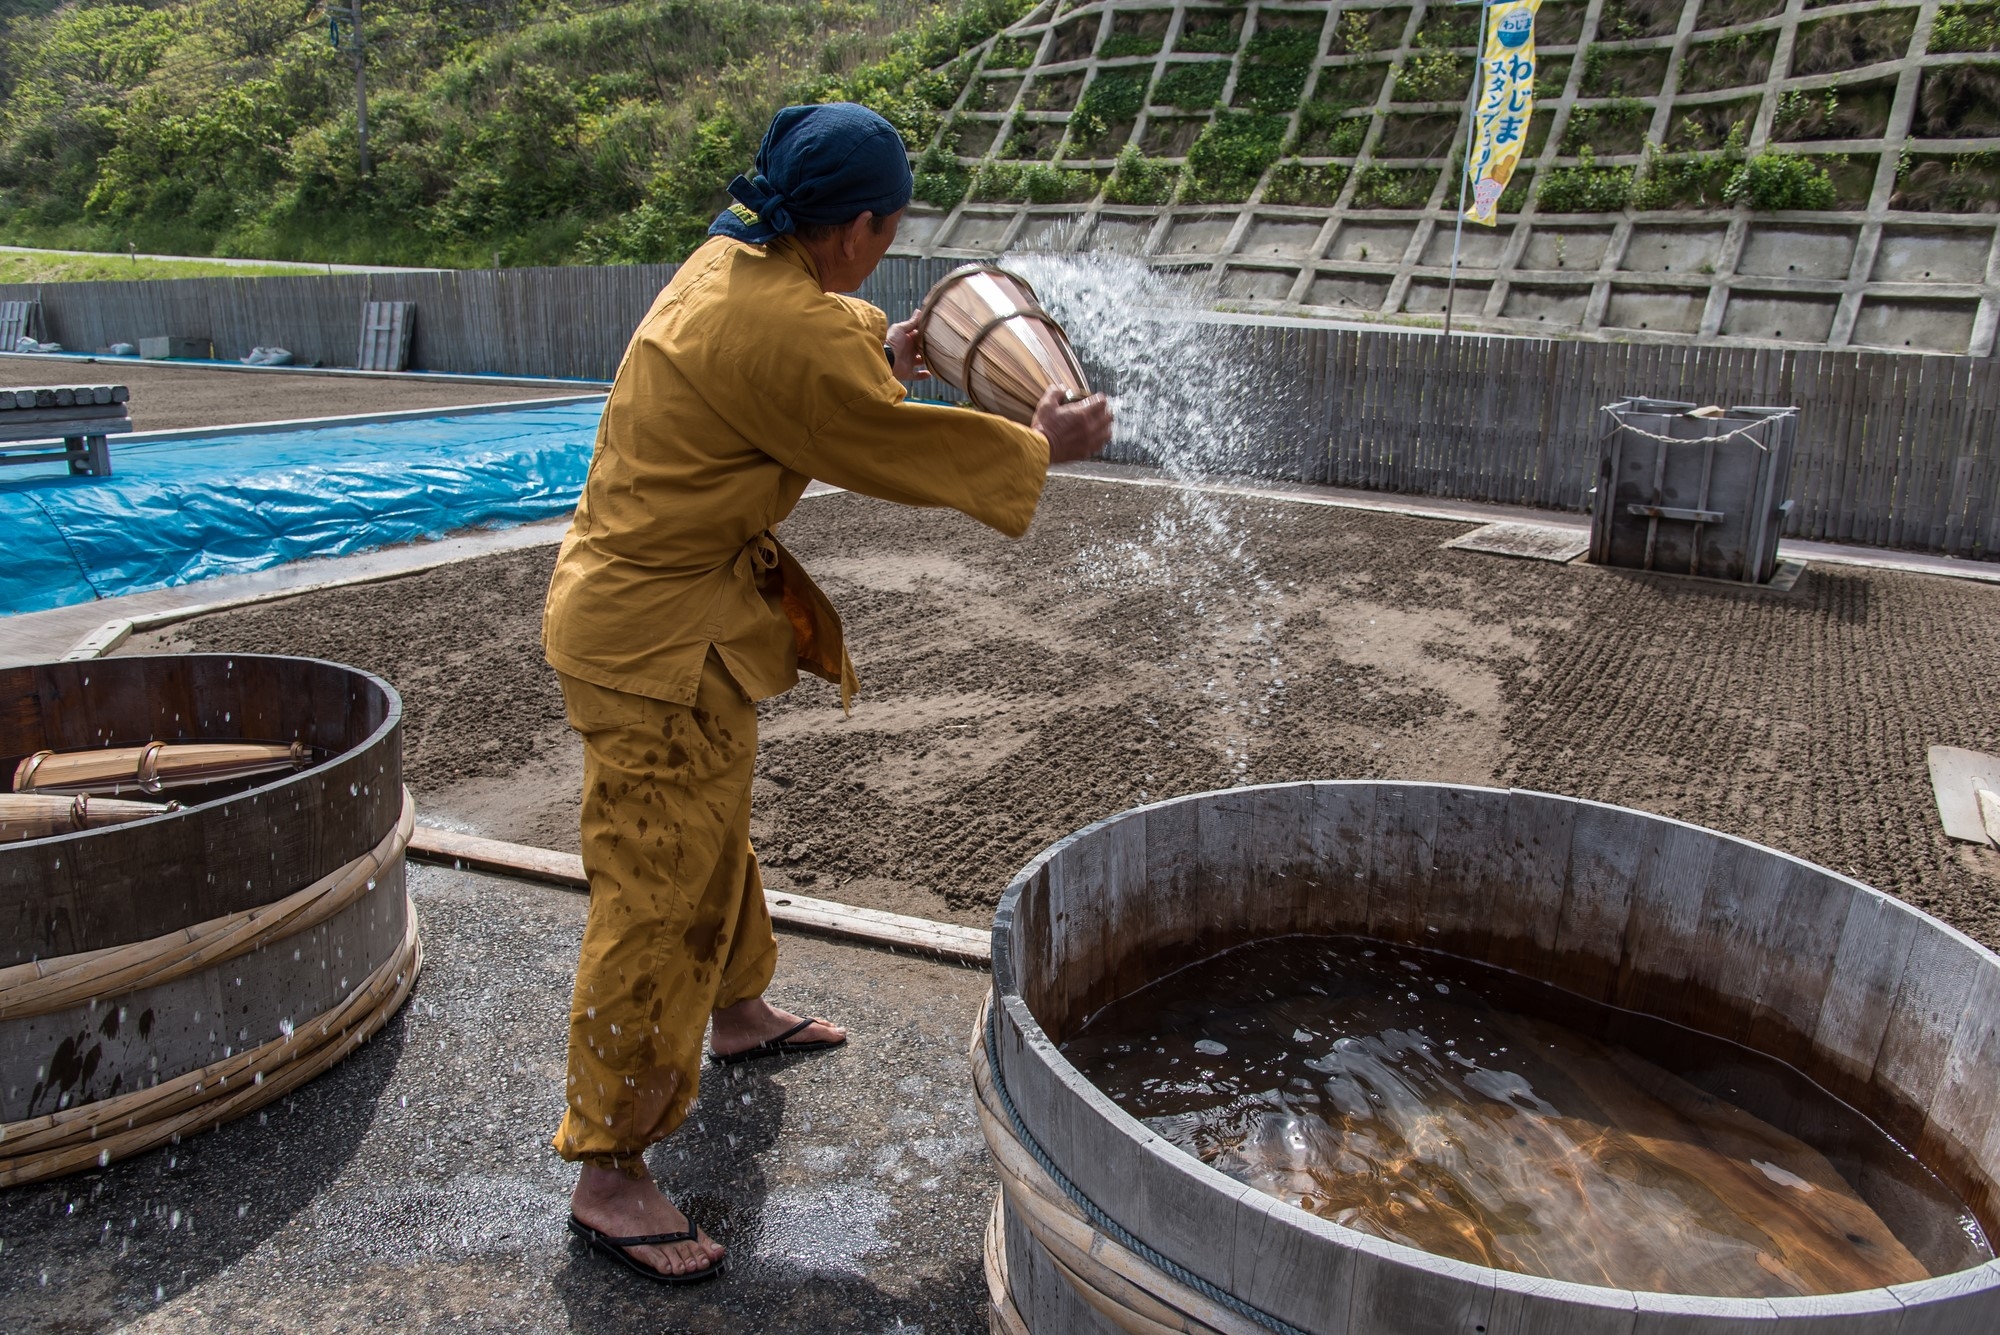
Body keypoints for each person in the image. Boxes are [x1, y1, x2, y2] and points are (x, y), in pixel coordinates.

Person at [540, 101, 1114, 1285]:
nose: (884, 254)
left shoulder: (732, 259)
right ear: (854, 229)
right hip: (650, 643)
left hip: (668, 621)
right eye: (887, 232)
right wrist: (1039, 448)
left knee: (707, 827)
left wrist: (890, 346)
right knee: (655, 891)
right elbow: (881, 440)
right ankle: (609, 1172)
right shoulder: (784, 336)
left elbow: (812, 340)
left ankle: (737, 1009)